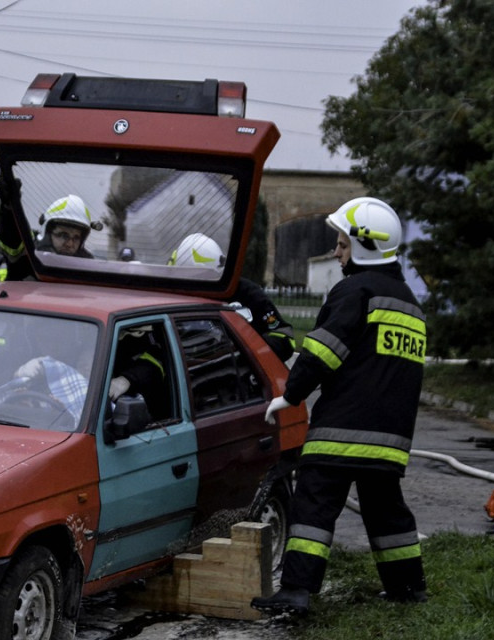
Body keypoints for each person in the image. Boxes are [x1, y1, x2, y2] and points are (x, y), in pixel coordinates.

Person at [251, 197, 427, 617]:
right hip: (391, 439)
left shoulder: (354, 291)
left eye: (342, 245)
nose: (335, 252)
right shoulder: (410, 304)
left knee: (314, 506)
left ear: (363, 247)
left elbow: (323, 353)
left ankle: (296, 591)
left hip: (340, 432)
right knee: (388, 513)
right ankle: (408, 588)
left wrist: (290, 395)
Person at [169, 233, 295, 362]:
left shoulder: (245, 293)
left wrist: (244, 353)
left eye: (202, 278)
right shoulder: (173, 299)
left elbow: (284, 339)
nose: (195, 287)